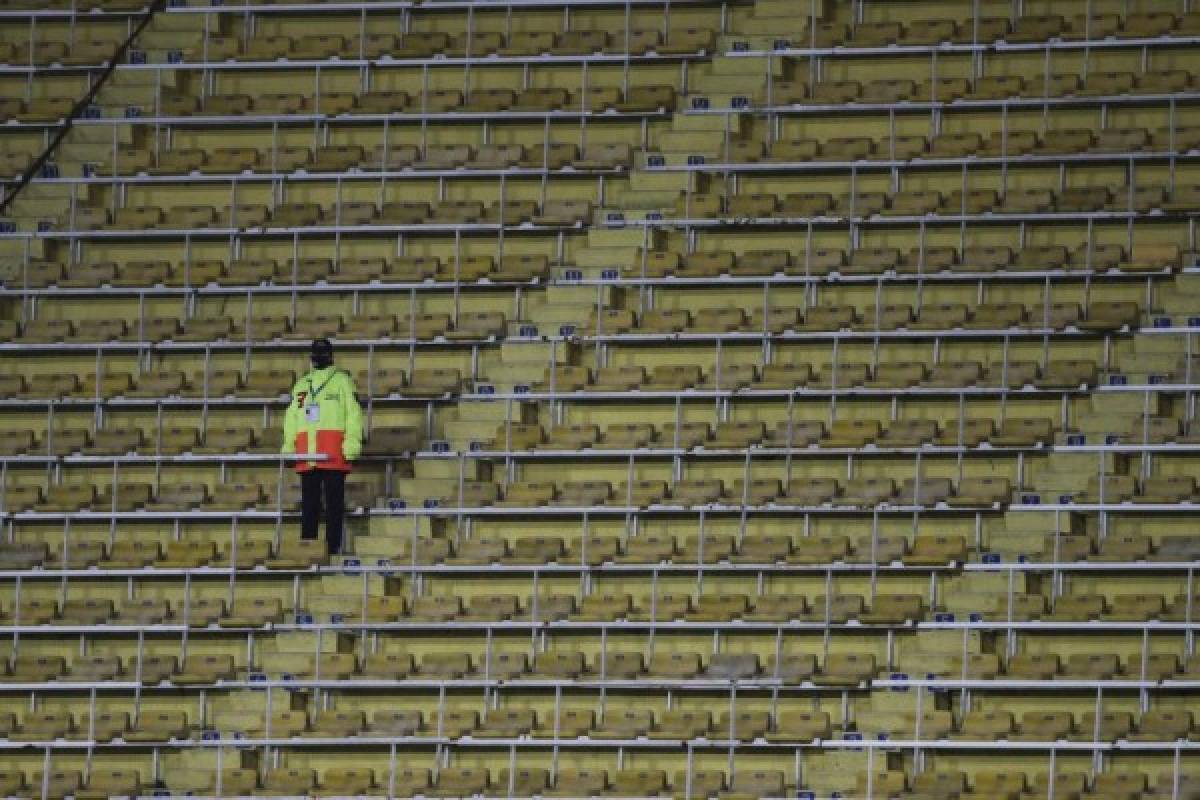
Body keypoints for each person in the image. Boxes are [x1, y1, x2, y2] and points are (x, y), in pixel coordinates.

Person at [282, 338, 363, 554]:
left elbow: (354, 416)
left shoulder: (343, 382)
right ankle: (308, 548)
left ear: (330, 355)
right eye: (316, 353)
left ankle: (332, 548)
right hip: (307, 455)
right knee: (309, 506)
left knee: (333, 506)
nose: (319, 357)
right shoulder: (302, 384)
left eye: (322, 353)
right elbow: (292, 419)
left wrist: (352, 444)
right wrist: (289, 446)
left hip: (334, 455)